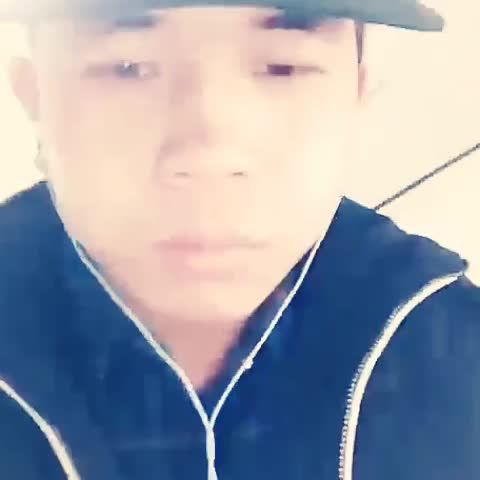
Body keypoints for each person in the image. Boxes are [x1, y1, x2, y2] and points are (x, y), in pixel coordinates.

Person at [0, 0, 478, 479]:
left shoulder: (459, 358)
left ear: (357, 94)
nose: (208, 154)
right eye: (128, 67)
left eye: (282, 67)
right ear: (34, 96)